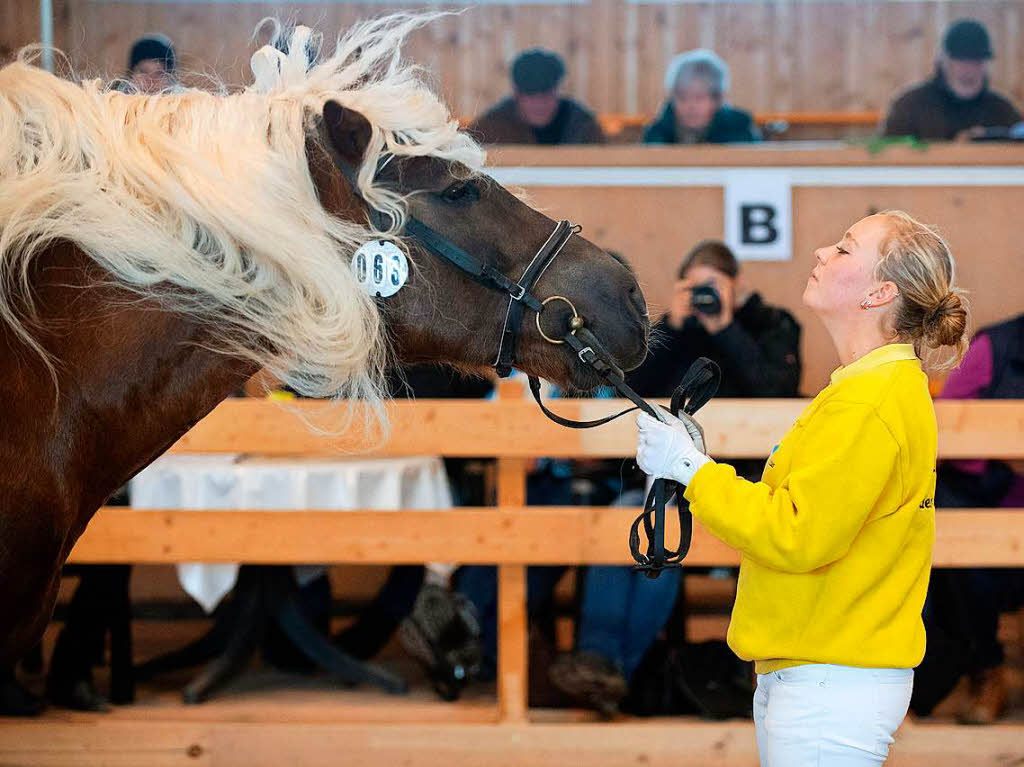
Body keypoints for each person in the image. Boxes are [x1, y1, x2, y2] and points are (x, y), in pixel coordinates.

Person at [635, 210, 969, 765]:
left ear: (879, 292)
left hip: (831, 680)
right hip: (820, 670)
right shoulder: (871, 388)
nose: (821, 253)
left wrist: (692, 469)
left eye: (844, 249)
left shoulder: (870, 401)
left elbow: (795, 533)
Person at [548, 241, 800, 716]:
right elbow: (633, 390)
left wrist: (724, 327)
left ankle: (614, 670)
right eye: (696, 288)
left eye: (714, 288)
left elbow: (776, 388)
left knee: (662, 532)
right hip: (663, 485)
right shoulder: (672, 333)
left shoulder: (771, 325)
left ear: (737, 286)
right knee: (628, 524)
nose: (704, 298)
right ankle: (599, 660)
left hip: (742, 485)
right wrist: (677, 327)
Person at [913, 313, 1024, 724]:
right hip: (994, 500)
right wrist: (1003, 452)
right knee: (961, 542)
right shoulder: (996, 346)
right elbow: (945, 425)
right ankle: (986, 669)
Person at [882, 19, 1021, 141]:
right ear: (943, 61)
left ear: (986, 65)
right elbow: (890, 158)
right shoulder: (909, 107)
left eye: (976, 61)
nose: (969, 70)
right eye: (961, 60)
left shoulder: (1003, 111)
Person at [469, 48, 604, 145]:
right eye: (530, 95)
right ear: (516, 94)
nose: (539, 104)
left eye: (546, 95)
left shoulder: (582, 124)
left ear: (558, 91)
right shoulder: (490, 128)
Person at [643, 50, 760, 144]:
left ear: (717, 99)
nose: (690, 106)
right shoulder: (658, 133)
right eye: (682, 97)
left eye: (698, 97)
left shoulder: (738, 129)